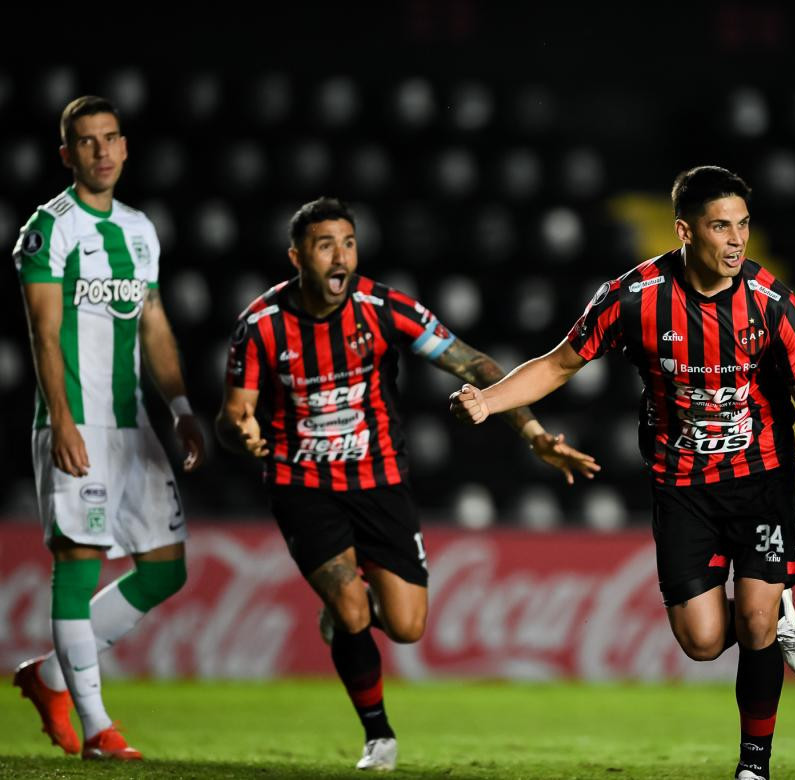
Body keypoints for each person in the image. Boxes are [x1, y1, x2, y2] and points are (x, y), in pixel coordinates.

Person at [451, 166, 795, 780]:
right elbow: (561, 364)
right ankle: (777, 618)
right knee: (700, 640)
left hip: (761, 480)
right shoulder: (635, 297)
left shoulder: (773, 303)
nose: (736, 240)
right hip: (682, 486)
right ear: (684, 231)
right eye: (721, 226)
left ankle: (754, 766)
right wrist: (491, 400)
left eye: (743, 225)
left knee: (751, 615)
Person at [216, 197, 598, 771]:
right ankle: (379, 736)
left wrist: (533, 433)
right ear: (297, 257)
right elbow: (233, 416)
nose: (341, 255)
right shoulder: (262, 325)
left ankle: (354, 609)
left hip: (379, 479)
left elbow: (475, 365)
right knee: (348, 608)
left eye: (348, 242)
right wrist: (239, 432)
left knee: (408, 626)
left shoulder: (382, 308)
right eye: (326, 245)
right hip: (302, 483)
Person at [10, 95, 205, 761]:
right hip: (77, 424)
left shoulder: (140, 230)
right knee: (80, 562)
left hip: (135, 428)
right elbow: (42, 333)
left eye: (110, 138)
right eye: (86, 142)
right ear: (67, 155)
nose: (101, 151)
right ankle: (97, 731)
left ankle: (51, 676)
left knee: (165, 569)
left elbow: (151, 323)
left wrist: (179, 410)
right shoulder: (49, 229)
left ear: (125, 147)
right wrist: (61, 421)